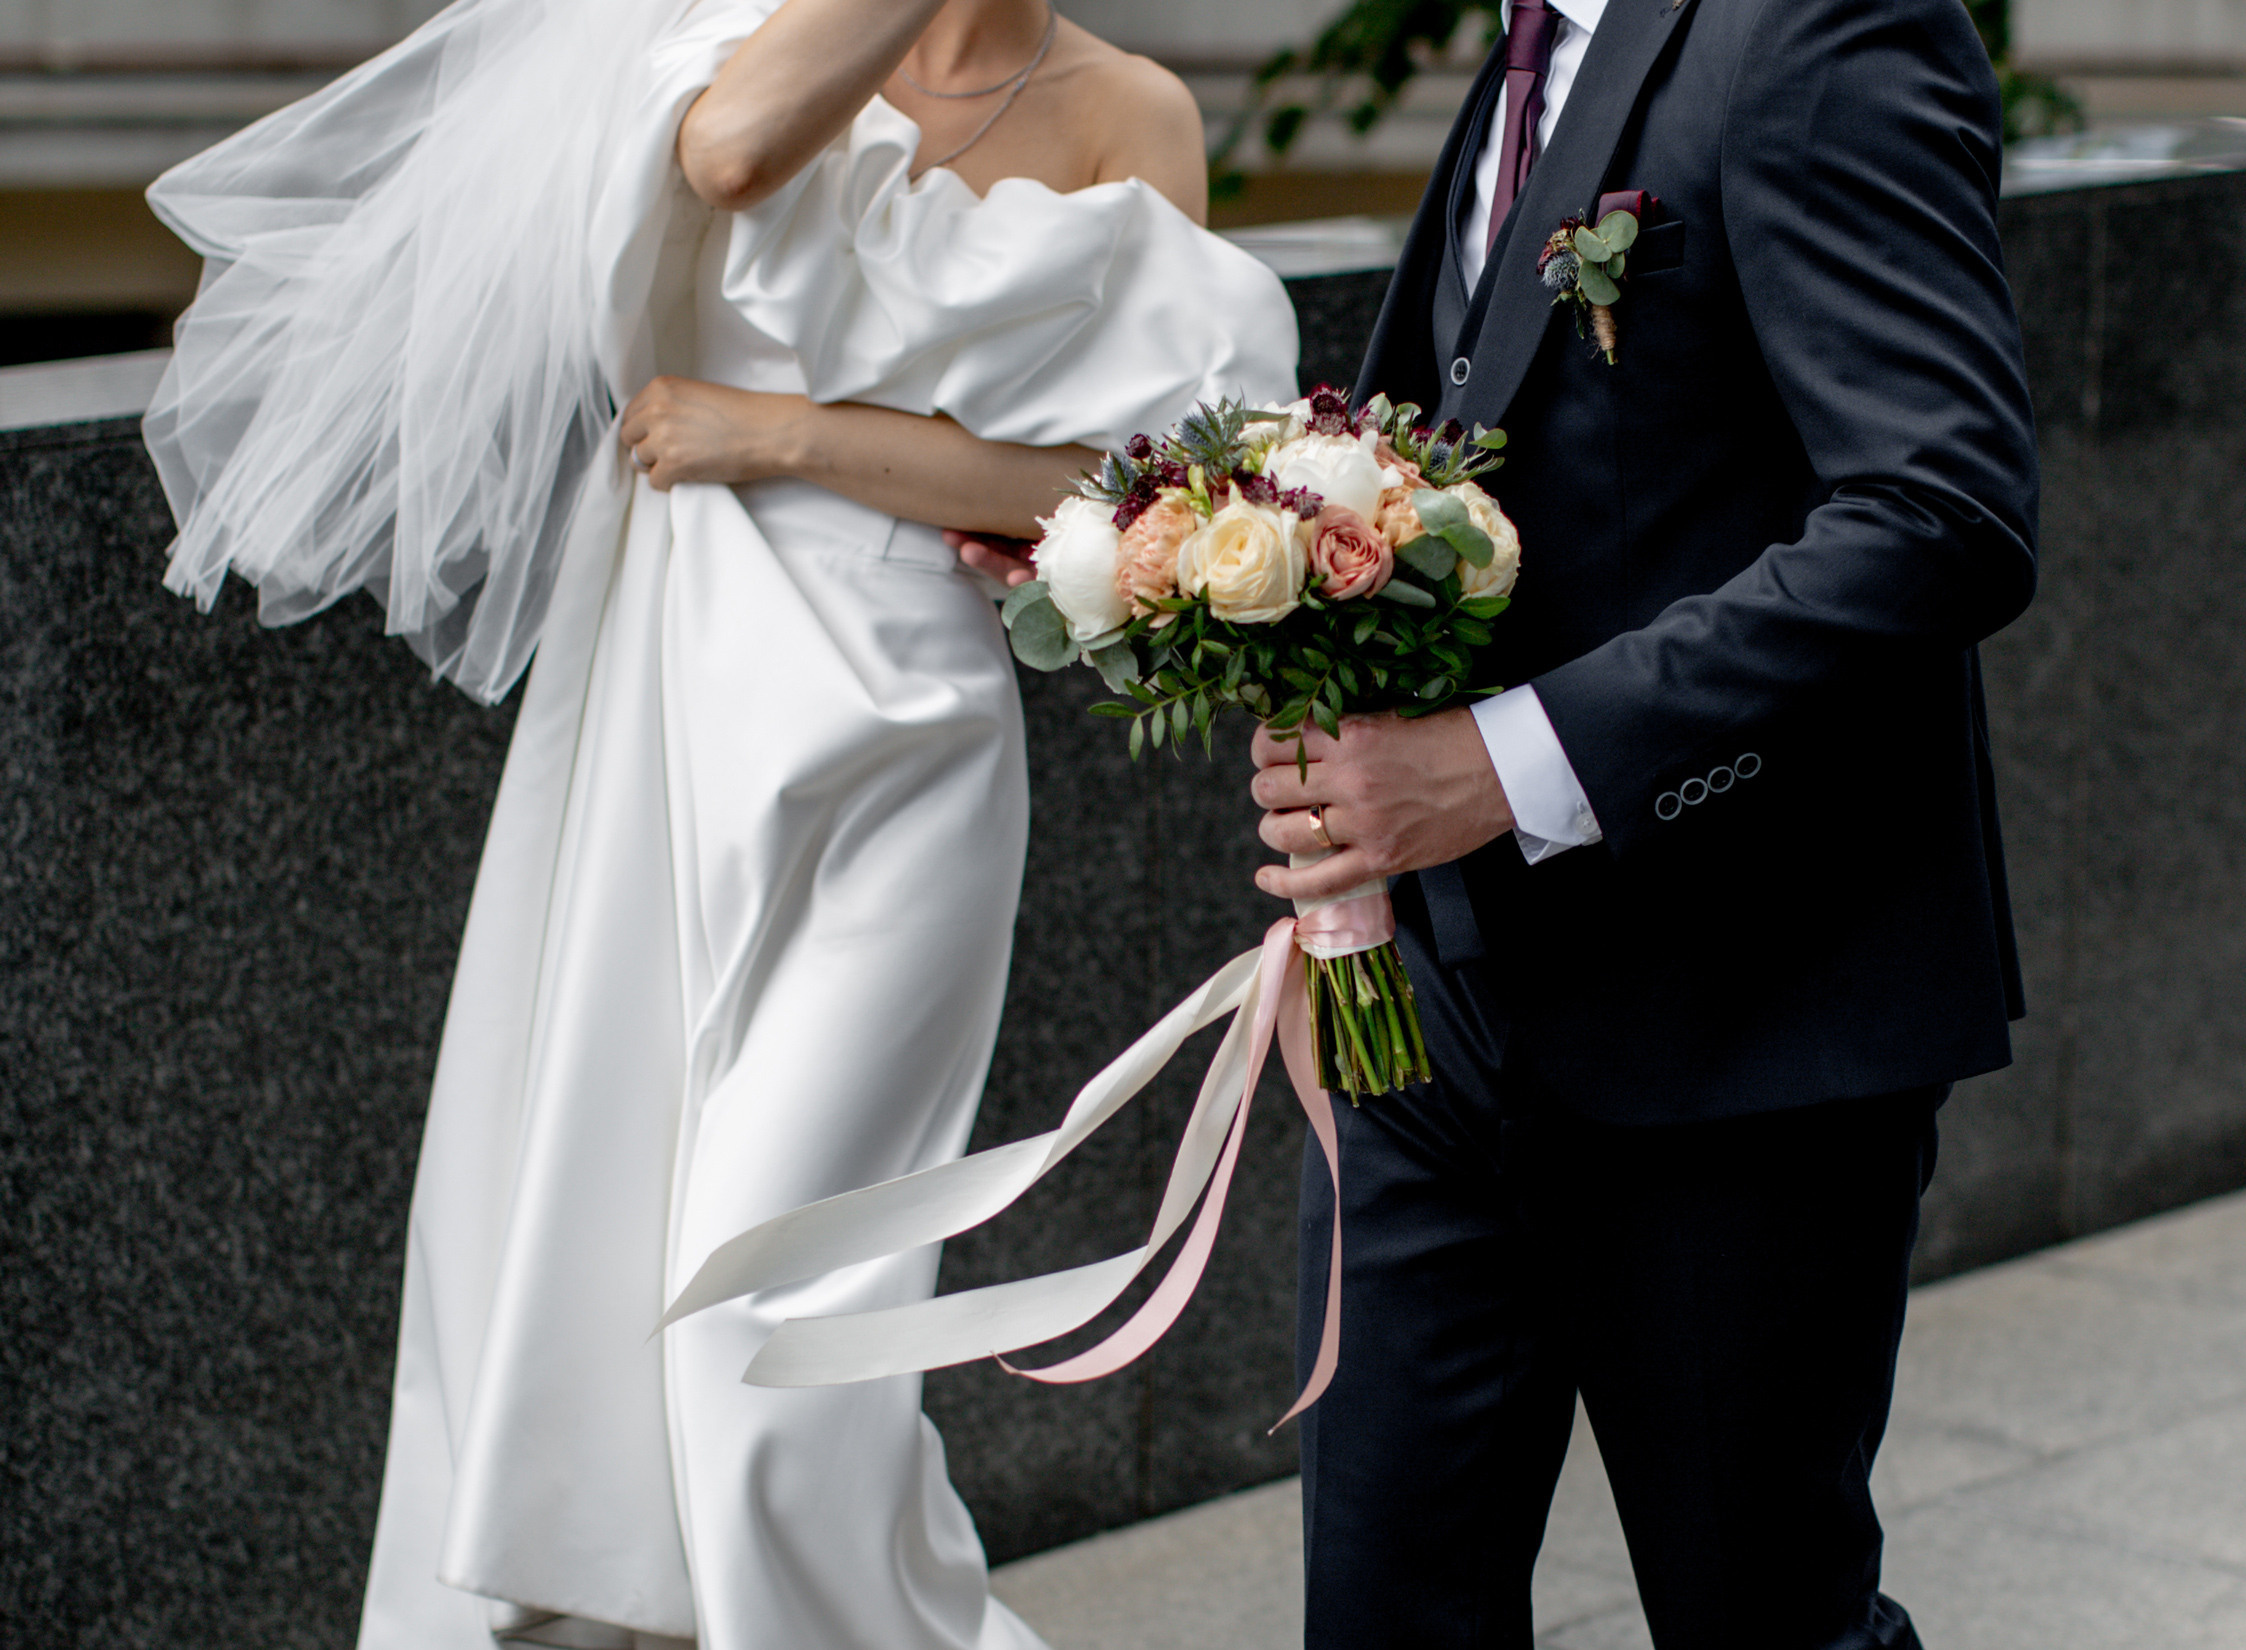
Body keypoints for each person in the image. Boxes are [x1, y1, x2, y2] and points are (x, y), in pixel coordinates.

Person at [139, 2, 1297, 1648]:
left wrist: (784, 436)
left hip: (913, 739)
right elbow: (736, 154)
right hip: (674, 686)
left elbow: (1122, 498)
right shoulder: (754, 25)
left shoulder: (1136, 109)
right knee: (601, 1244)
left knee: (767, 1310)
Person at [1241, 0, 2038, 1646]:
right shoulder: (1529, 49)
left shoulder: (1824, 26)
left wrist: (1507, 765)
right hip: (1427, 1015)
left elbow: (1940, 512)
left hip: (1740, 1019)